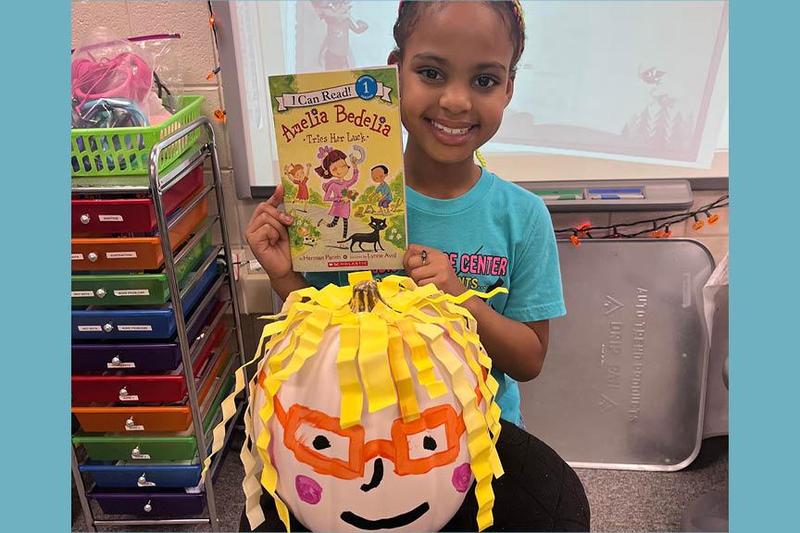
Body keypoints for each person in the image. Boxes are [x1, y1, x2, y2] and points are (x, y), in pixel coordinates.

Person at [244, 1, 590, 531]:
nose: (456, 101)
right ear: (395, 71)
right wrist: (283, 275)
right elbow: (318, 341)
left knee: (558, 511)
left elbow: (528, 359)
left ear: (509, 89)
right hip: (354, 446)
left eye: (484, 80)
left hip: (475, 447)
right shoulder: (353, 205)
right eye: (431, 73)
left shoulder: (522, 216)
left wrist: (461, 298)